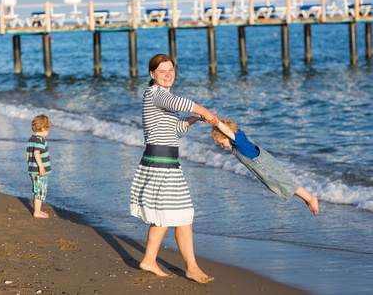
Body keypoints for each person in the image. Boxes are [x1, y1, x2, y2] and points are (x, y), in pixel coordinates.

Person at [130, 54, 218, 283]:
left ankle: (161, 261)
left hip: (166, 163)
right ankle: (186, 266)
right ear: (152, 75)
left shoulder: (162, 97)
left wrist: (196, 118)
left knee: (178, 215)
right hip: (160, 164)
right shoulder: (155, 93)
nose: (168, 74)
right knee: (172, 215)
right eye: (163, 71)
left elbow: (175, 127)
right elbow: (179, 102)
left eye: (171, 70)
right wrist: (206, 111)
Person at [210, 118, 319, 216]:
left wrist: (218, 122)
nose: (222, 146)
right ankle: (306, 197)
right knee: (283, 185)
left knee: (285, 183)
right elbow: (227, 131)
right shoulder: (239, 137)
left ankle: (310, 198)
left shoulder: (239, 142)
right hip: (266, 163)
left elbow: (227, 131)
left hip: (264, 166)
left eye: (222, 143)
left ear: (228, 136)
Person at [26, 114, 52, 219]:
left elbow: (27, 154)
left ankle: (37, 209)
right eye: (47, 130)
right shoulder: (40, 140)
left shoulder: (31, 139)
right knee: (40, 191)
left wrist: (30, 165)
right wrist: (41, 167)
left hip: (32, 170)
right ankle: (36, 212)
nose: (48, 132)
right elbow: (36, 153)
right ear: (42, 129)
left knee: (36, 189)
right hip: (38, 170)